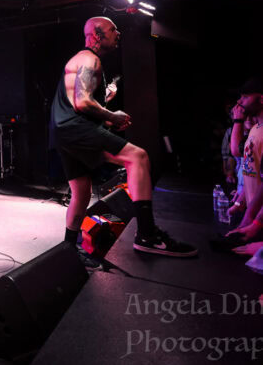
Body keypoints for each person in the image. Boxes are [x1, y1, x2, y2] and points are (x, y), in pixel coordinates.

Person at [50, 16, 197, 257]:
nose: (118, 33)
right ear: (97, 35)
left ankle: (69, 250)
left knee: (82, 192)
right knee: (138, 157)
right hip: (74, 129)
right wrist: (113, 115)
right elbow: (82, 102)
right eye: (113, 29)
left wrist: (106, 115)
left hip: (63, 132)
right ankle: (147, 235)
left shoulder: (81, 59)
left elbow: (77, 103)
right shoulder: (90, 59)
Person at [226, 77, 263, 243]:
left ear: (261, 99)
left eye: (245, 97)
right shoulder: (256, 128)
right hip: (253, 214)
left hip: (258, 219)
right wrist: (241, 201)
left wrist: (252, 220)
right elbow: (237, 151)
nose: (240, 101)